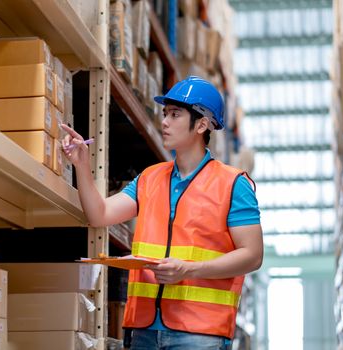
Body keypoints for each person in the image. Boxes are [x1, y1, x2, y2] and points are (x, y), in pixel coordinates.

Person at [61, 76, 263, 350]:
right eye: (165, 113)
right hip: (143, 329)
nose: (164, 121)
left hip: (199, 333)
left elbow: (252, 255)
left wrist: (190, 269)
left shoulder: (233, 183)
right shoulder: (149, 178)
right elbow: (100, 215)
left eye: (175, 114)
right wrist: (81, 165)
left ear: (202, 124)